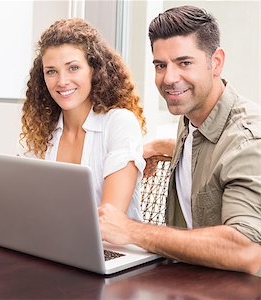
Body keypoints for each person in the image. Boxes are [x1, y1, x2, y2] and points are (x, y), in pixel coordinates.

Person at [99, 5, 261, 275]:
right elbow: (217, 154)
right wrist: (163, 148)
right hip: (189, 281)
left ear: (216, 62)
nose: (170, 78)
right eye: (161, 65)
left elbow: (247, 249)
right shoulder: (192, 115)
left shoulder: (249, 140)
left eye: (184, 63)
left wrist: (132, 230)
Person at [19, 18, 146, 220]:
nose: (62, 81)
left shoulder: (119, 123)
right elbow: (22, 202)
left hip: (112, 248)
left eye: (73, 68)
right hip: (55, 243)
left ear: (94, 69)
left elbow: (110, 219)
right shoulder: (42, 131)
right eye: (51, 71)